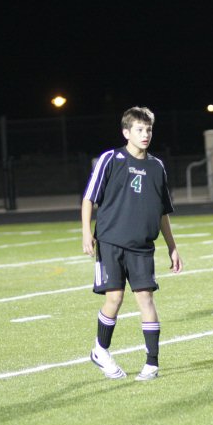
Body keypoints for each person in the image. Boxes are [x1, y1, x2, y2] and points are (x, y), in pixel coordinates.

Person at [81, 106, 183, 381]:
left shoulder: (157, 166)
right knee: (114, 298)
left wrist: (172, 246)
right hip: (111, 242)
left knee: (146, 299)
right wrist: (85, 232)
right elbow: (89, 198)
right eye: (139, 129)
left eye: (149, 129)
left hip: (142, 246)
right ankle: (100, 350)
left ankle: (152, 363)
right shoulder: (110, 159)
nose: (145, 134)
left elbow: (162, 211)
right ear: (126, 132)